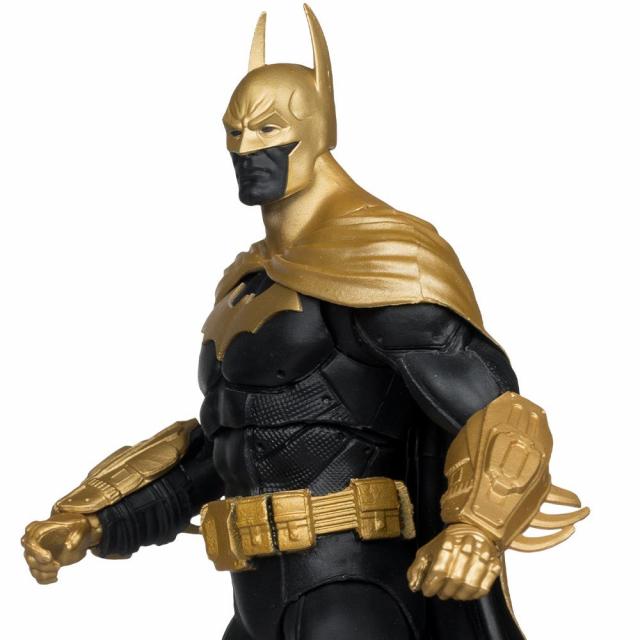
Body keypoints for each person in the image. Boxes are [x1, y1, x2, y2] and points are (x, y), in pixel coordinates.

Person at [22, 6, 588, 639]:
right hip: (254, 598)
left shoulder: (380, 257)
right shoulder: (248, 281)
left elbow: (500, 413)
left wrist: (477, 530)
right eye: (234, 131)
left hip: (352, 589)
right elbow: (231, 442)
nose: (246, 148)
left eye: (269, 128)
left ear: (319, 131)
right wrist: (98, 520)